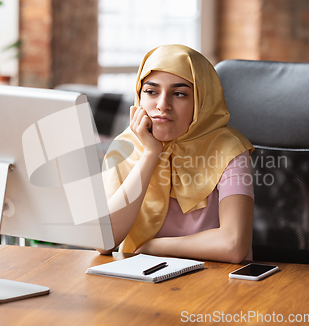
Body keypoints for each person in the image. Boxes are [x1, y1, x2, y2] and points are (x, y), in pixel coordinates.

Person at [100, 44, 254, 263]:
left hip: (215, 284)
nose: (162, 105)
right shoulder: (124, 146)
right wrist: (150, 154)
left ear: (201, 103)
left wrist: (155, 246)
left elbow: (234, 244)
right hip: (139, 282)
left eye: (179, 94)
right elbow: (103, 241)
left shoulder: (229, 149)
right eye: (151, 92)